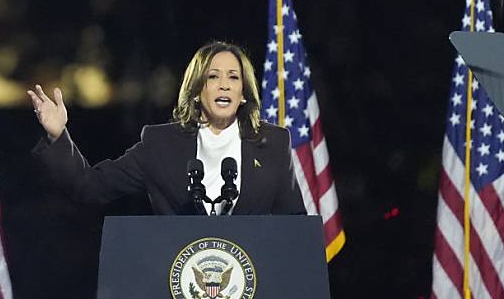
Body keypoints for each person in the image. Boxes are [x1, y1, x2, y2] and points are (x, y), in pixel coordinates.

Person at [28, 40, 305, 216]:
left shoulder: (273, 144)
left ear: (243, 92)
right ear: (197, 90)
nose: (224, 84)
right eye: (213, 76)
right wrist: (58, 134)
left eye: (233, 77)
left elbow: (293, 230)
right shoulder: (159, 145)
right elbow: (90, 187)